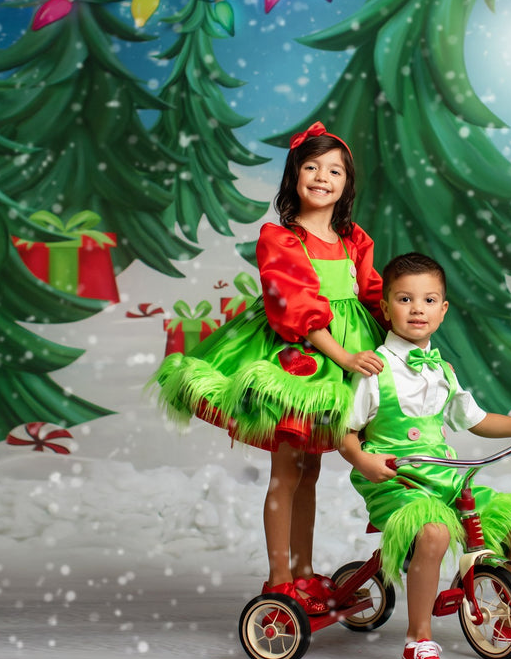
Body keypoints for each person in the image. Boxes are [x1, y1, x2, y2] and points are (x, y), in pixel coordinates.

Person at [153, 122, 386, 616]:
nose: (322, 177)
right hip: (299, 359)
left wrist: (404, 332)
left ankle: (304, 571)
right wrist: (342, 356)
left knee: (313, 470)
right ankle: (280, 577)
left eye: (334, 170)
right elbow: (295, 306)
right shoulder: (279, 238)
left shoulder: (353, 239)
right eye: (311, 167)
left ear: (347, 183)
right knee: (287, 470)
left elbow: (371, 294)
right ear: (293, 175)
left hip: (346, 357)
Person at [338, 252, 511, 659]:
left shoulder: (442, 369)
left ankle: (505, 615)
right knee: (434, 532)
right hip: (396, 478)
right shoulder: (374, 369)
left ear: (443, 310)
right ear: (387, 307)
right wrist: (361, 458)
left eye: (429, 301)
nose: (417, 310)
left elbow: (477, 420)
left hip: (443, 476)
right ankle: (418, 638)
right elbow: (345, 430)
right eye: (405, 299)